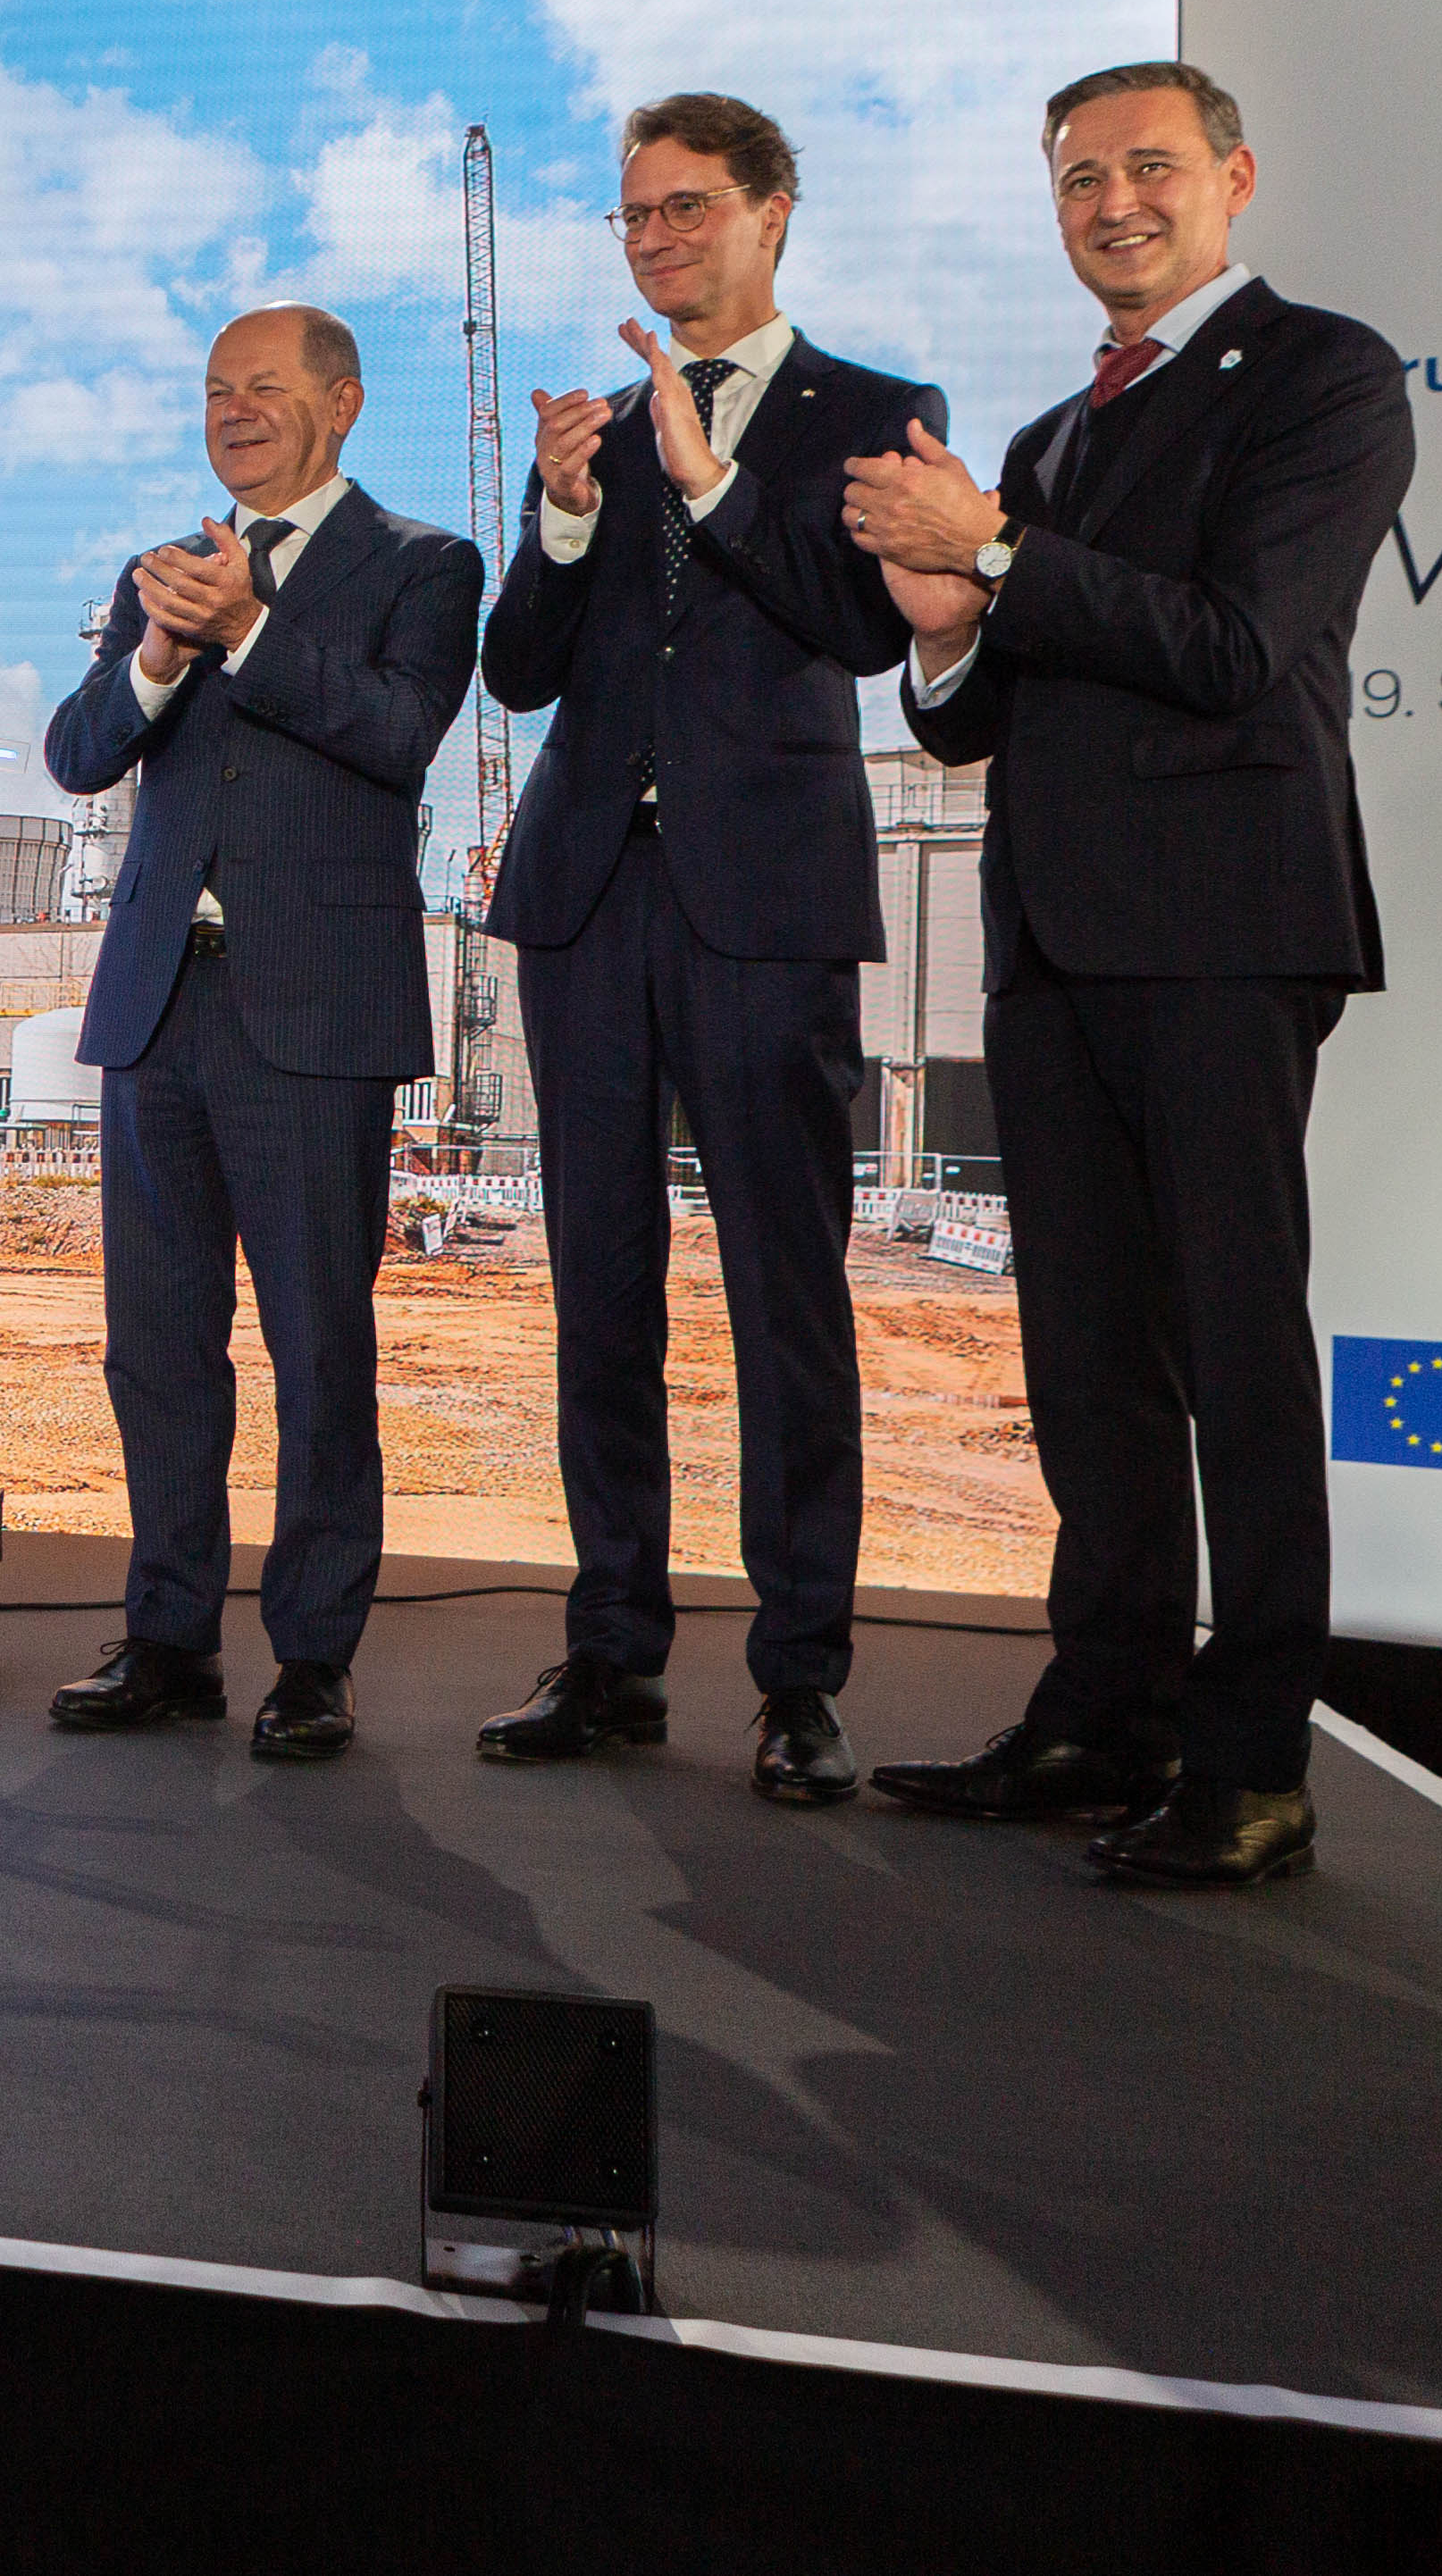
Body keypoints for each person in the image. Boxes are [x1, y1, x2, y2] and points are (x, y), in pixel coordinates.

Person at [848, 63, 1413, 1889]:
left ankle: (1251, 1762)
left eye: (1147, 167)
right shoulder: (1049, 438)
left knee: (1233, 1353)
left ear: (1231, 179)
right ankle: (1103, 1706)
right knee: (1084, 1357)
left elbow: (1238, 646)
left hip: (1225, 929)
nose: (1109, 202)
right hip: (1057, 943)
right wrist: (939, 630)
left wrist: (993, 554)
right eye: (1076, 176)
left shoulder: (1321, 376)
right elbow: (972, 720)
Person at [471, 95, 941, 1806]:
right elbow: (519, 670)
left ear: (774, 215)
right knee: (600, 1292)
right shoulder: (590, 427)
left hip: (766, 902)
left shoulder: (878, 413)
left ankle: (799, 1679)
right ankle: (611, 1652)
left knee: (785, 1295)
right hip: (590, 896)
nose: (657, 240)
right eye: (633, 220)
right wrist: (571, 512)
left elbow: (852, 623)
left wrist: (713, 478)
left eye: (685, 210)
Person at [40, 305, 478, 1758]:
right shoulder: (162, 570)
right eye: (217, 389)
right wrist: (163, 648)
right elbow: (82, 750)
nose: (235, 410)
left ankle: (314, 1656)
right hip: (162, 1005)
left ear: (341, 404)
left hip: (315, 1014)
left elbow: (398, 732)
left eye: (267, 388)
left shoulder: (424, 564)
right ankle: (169, 1635)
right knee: (158, 1347)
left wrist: (252, 631)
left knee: (317, 1344)